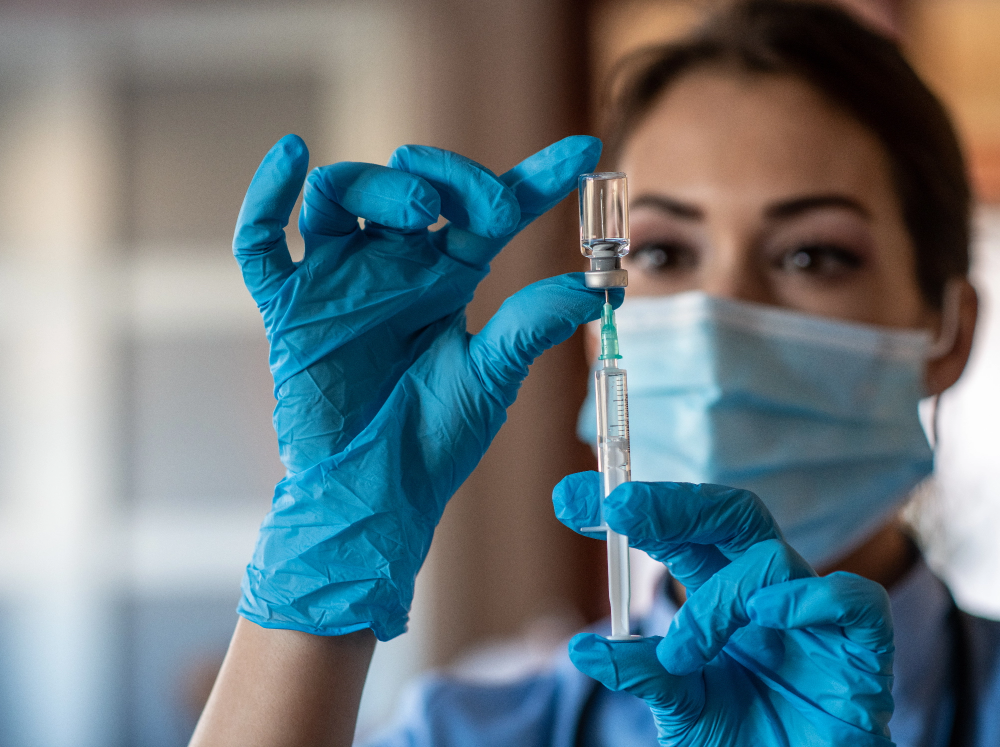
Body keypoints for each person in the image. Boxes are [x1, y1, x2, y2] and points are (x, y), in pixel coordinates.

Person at [189, 2, 1000, 746]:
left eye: (811, 255)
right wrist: (322, 563)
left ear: (948, 332)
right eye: (660, 252)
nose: (717, 315)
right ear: (594, 324)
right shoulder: (471, 730)